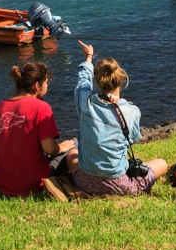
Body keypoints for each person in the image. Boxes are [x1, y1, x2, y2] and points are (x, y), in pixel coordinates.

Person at [71, 41, 169, 196]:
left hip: (85, 182)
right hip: (117, 184)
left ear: (97, 82)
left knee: (71, 155)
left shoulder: (85, 102)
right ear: (121, 80)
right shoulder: (131, 112)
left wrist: (88, 57)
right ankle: (109, 193)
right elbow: (132, 139)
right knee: (162, 164)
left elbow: (82, 81)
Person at [0, 62, 75, 197]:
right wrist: (61, 148)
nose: (47, 87)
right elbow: (50, 150)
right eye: (46, 83)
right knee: (75, 144)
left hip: (1, 181)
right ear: (36, 86)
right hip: (33, 183)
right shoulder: (41, 107)